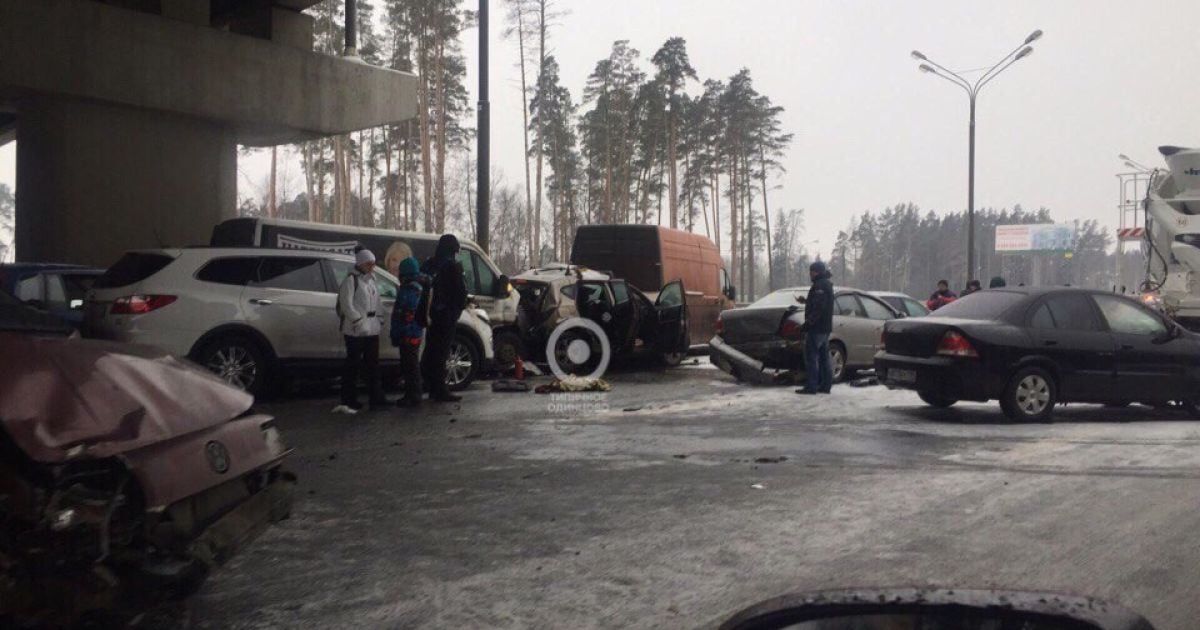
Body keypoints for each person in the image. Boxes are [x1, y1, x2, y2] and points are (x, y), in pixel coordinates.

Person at [333, 248, 387, 414]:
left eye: (373, 263)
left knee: (373, 365)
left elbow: (377, 301)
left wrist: (380, 317)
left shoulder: (371, 281)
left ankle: (375, 398)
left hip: (372, 328)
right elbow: (346, 304)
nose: (372, 267)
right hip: (355, 330)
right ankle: (349, 398)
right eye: (369, 264)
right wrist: (357, 320)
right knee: (353, 365)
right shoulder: (351, 280)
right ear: (361, 263)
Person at [421, 234, 468, 403]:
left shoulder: (429, 264)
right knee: (441, 352)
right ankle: (440, 390)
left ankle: (429, 385)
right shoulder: (452, 266)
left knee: (431, 349)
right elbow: (460, 292)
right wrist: (458, 309)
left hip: (430, 314)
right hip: (446, 314)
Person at [390, 256, 428, 408]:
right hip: (413, 332)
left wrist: (400, 333)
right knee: (410, 365)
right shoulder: (418, 287)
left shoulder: (410, 290)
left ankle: (413, 396)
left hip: (409, 334)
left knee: (410, 366)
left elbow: (406, 315)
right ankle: (412, 395)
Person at [796, 261, 834, 395]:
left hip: (817, 328)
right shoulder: (825, 284)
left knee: (812, 357)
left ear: (816, 272)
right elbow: (819, 303)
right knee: (824, 357)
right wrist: (805, 301)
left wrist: (807, 324)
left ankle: (811, 386)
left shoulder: (820, 285)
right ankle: (825, 385)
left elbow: (819, 308)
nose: (810, 274)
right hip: (824, 328)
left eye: (811, 272)